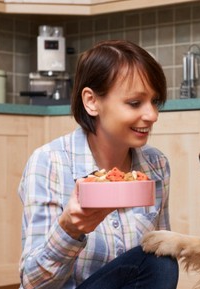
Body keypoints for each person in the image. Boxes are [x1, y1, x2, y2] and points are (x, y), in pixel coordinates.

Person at [18, 40, 179, 289]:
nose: (152, 115)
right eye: (135, 103)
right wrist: (69, 230)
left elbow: (154, 271)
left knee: (161, 257)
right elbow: (32, 283)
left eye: (154, 102)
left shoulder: (156, 165)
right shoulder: (49, 162)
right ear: (92, 101)